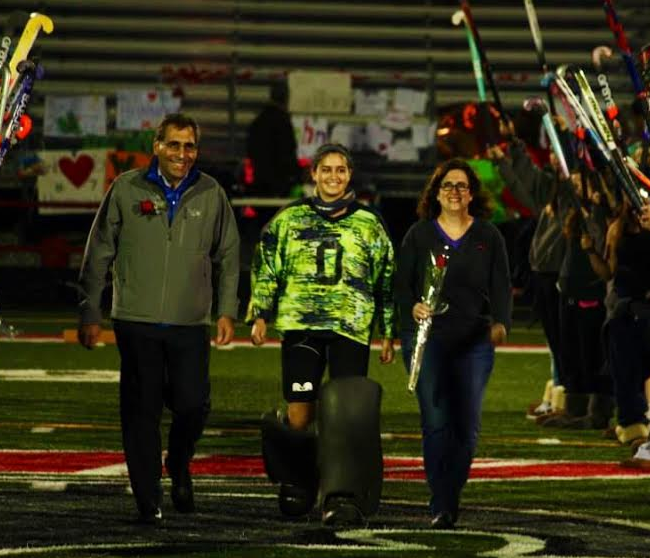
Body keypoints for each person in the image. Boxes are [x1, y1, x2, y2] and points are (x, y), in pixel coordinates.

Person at [77, 113, 240, 523]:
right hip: (136, 320)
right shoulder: (126, 188)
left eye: (189, 147)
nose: (182, 154)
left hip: (190, 323)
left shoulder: (211, 192)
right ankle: (148, 500)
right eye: (174, 144)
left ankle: (179, 461)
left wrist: (226, 310)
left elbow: (230, 256)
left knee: (191, 405)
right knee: (141, 412)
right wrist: (90, 309)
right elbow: (98, 252)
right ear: (157, 146)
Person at [246, 143, 395, 525]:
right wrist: (260, 313)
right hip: (300, 325)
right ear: (313, 174)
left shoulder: (369, 222)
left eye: (340, 170)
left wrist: (390, 332)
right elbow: (267, 268)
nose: (333, 177)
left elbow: (386, 280)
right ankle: (300, 481)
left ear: (349, 175)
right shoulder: (288, 218)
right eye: (326, 170)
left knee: (346, 417)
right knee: (300, 413)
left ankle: (341, 494)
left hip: (351, 325)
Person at [395, 158, 511, 529]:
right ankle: (441, 502)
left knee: (467, 424)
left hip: (473, 340)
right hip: (427, 340)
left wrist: (501, 323)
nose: (455, 192)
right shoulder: (419, 234)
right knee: (436, 420)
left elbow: (501, 284)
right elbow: (401, 285)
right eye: (448, 186)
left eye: (462, 186)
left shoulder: (488, 236)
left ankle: (451, 490)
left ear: (472, 193)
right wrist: (412, 306)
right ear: (436, 192)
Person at [246, 81, 301, 197]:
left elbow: (251, 150)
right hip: (279, 187)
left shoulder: (259, 120)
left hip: (260, 184)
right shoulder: (283, 122)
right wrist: (298, 175)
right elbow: (287, 154)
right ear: (287, 98)